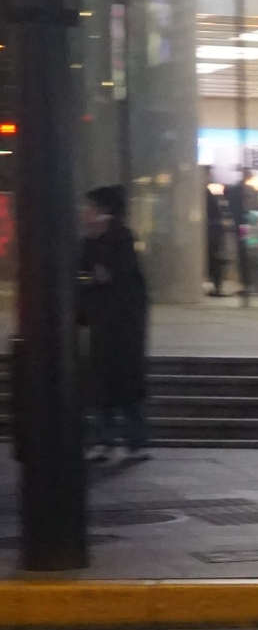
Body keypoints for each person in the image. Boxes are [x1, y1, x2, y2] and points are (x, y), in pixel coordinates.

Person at [78, 185, 151, 463]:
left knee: (120, 383)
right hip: (105, 324)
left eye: (90, 207)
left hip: (120, 326)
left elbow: (105, 276)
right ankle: (108, 441)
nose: (84, 213)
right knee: (104, 384)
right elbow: (86, 276)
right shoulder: (93, 239)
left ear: (103, 212)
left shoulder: (118, 238)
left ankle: (131, 440)